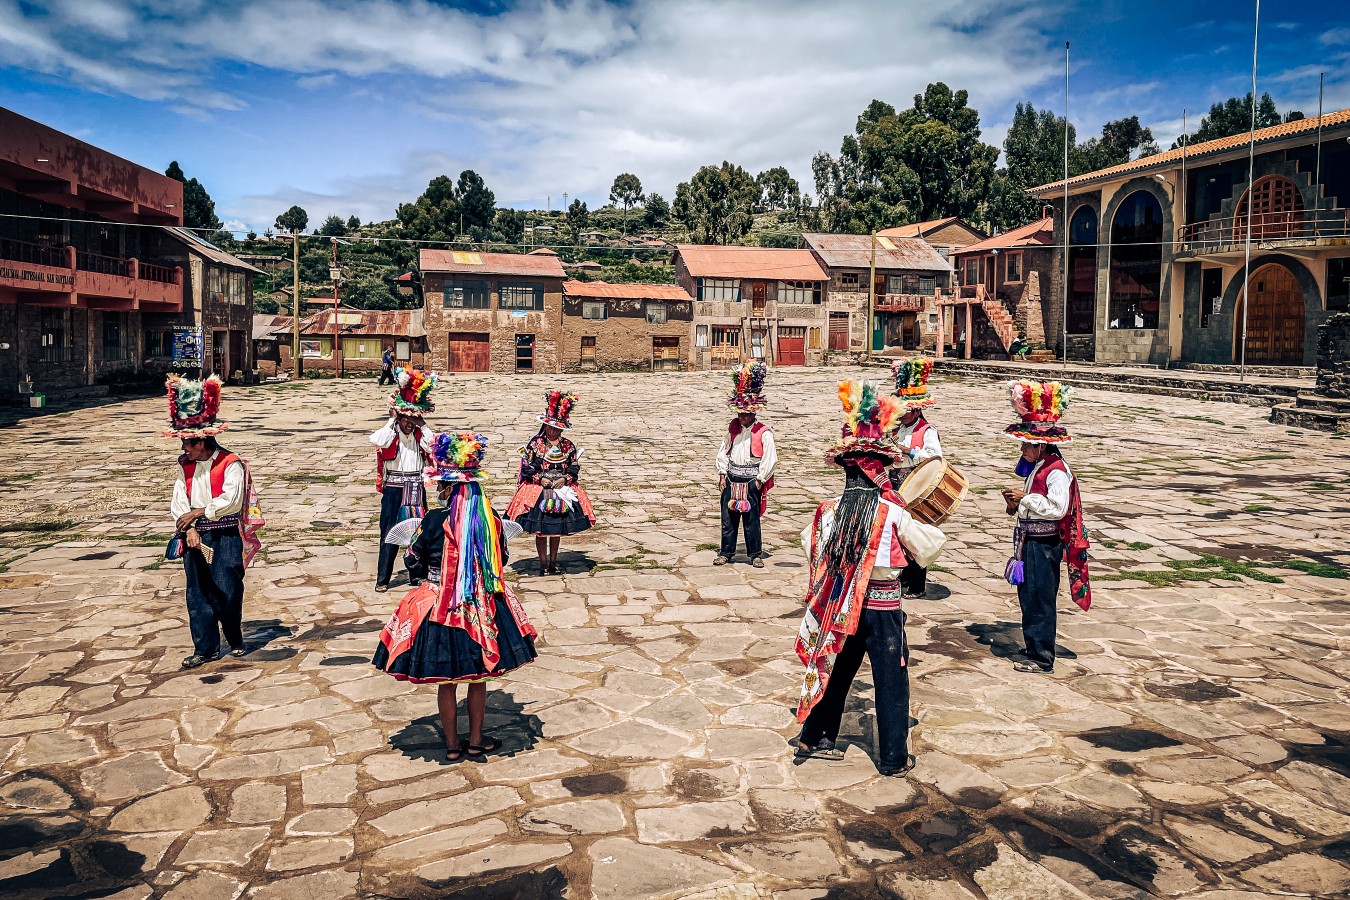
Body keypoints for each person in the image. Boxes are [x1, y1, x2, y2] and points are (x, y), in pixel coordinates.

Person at [794, 380, 945, 776]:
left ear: (847, 471)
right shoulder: (891, 512)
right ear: (878, 472)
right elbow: (929, 548)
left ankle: (816, 738)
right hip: (882, 609)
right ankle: (893, 758)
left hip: (844, 605)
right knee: (891, 680)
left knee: (839, 670)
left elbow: (809, 546)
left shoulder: (829, 511)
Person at [372, 432, 538, 761]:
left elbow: (412, 559)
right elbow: (502, 558)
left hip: (438, 605)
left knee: (446, 683)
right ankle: (476, 740)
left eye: (441, 485)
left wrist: (431, 568)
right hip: (481, 605)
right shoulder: (489, 519)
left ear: (449, 489)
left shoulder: (434, 520)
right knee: (477, 679)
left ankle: (451, 745)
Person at [165, 375, 264, 669]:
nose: (184, 449)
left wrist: (198, 514)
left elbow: (231, 500)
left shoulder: (231, 464)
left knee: (227, 588)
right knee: (197, 593)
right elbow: (178, 502)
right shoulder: (185, 466)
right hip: (194, 536)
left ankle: (234, 636)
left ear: (202, 441)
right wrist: (190, 529)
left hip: (225, 536)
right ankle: (205, 648)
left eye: (188, 444)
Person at [999, 381, 1092, 675]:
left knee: (1040, 599)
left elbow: (1057, 508)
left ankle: (1042, 658)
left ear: (1040, 445)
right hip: (1030, 542)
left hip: (1044, 546)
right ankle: (1033, 646)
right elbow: (1034, 502)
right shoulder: (1039, 467)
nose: (1022, 448)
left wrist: (1025, 498)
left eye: (1026, 444)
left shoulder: (1057, 472)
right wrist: (1016, 505)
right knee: (1029, 596)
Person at [505, 391, 596, 575]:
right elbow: (528, 467)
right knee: (541, 530)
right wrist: (540, 479)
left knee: (556, 531)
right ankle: (543, 563)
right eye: (549, 427)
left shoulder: (568, 446)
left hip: (562, 489)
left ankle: (553, 561)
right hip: (540, 489)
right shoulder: (536, 444)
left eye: (556, 429)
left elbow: (574, 467)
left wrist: (565, 479)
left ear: (561, 430)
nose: (552, 431)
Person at [370, 366, 437, 592]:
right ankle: (383, 578)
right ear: (399, 417)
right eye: (406, 418)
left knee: (418, 531)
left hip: (416, 487)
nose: (410, 423)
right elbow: (378, 440)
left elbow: (435, 446)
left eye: (413, 419)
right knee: (389, 532)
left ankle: (417, 574)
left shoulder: (419, 435)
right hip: (394, 488)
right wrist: (392, 420)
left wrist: (423, 426)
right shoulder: (391, 433)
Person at [887, 357, 942, 596]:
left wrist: (908, 451)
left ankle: (917, 584)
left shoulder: (928, 431)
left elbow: (935, 458)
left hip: (915, 485)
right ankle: (902, 579)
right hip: (896, 483)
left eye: (906, 411)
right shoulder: (898, 429)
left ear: (917, 410)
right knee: (899, 533)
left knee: (915, 533)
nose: (901, 415)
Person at [715, 362, 776, 567]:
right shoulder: (733, 430)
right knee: (728, 518)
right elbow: (724, 451)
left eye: (746, 414)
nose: (742, 417)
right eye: (740, 413)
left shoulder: (764, 433)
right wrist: (722, 473)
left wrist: (760, 479)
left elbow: (770, 458)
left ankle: (755, 554)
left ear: (754, 413)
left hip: (751, 480)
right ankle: (726, 552)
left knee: (751, 520)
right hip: (732, 479)